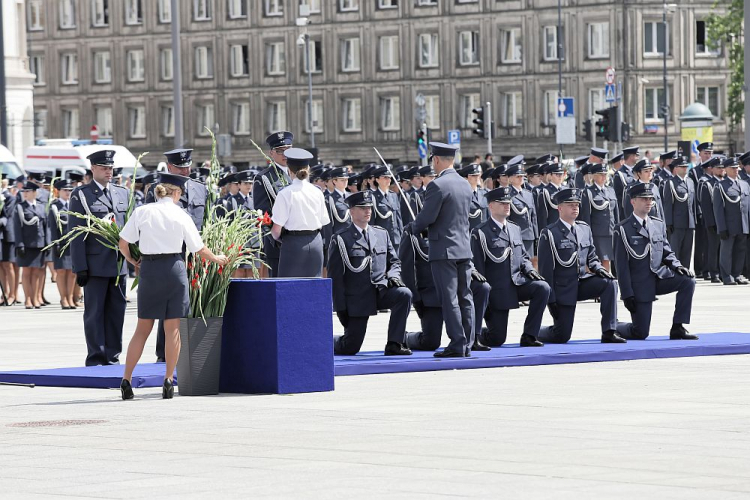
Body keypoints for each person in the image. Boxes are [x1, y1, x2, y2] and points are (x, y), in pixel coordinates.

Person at [118, 173, 228, 400]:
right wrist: (217, 259)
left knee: (142, 328)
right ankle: (168, 380)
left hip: (149, 269)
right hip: (174, 268)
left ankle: (126, 379)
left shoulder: (142, 211)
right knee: (173, 329)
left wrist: (132, 260)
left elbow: (123, 242)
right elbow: (198, 248)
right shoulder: (180, 214)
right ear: (176, 192)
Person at [537, 188, 630, 344]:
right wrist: (551, 300)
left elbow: (592, 258)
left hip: (582, 282)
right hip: (563, 288)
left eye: (577, 205)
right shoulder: (549, 234)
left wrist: (600, 269)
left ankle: (609, 331)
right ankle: (536, 330)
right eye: (570, 205)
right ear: (560, 208)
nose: (575, 208)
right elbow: (546, 272)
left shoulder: (584, 228)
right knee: (561, 336)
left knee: (610, 284)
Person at [408, 142, 475, 358]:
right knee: (465, 297)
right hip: (464, 248)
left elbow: (427, 217)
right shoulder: (465, 184)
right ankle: (467, 343)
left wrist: (413, 227)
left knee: (449, 299)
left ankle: (457, 343)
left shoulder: (437, 185)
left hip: (443, 250)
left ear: (436, 160)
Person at [328, 191, 412, 356]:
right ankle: (324, 340)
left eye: (369, 208)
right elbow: (336, 278)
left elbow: (394, 262)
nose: (367, 211)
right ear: (351, 211)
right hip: (357, 298)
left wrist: (393, 276)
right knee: (350, 347)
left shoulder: (381, 234)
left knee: (404, 294)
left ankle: (395, 343)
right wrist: (341, 309)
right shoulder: (341, 239)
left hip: (381, 291)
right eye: (362, 208)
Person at [614, 182, 698, 340]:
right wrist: (626, 294)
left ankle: (678, 326)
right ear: (633, 201)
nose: (648, 202)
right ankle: (614, 325)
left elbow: (666, 251)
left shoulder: (657, 224)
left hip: (659, 277)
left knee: (688, 281)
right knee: (640, 333)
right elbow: (621, 266)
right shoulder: (622, 229)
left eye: (650, 199)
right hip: (640, 284)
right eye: (644, 198)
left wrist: (677, 265)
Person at [69, 150, 130, 366]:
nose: (108, 171)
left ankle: (112, 356)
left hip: (119, 264)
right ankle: (96, 357)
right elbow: (76, 233)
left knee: (116, 313)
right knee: (94, 314)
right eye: (104, 168)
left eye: (110, 168)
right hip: (94, 265)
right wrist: (80, 267)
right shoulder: (82, 195)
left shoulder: (123, 193)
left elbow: (130, 229)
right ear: (93, 169)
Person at [472, 187, 550, 347]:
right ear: (491, 206)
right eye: (502, 203)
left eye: (508, 202)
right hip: (496, 291)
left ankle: (530, 335)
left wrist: (529, 269)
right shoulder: (480, 232)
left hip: (516, 284)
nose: (507, 205)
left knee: (542, 287)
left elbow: (522, 256)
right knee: (497, 339)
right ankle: (475, 333)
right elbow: (478, 268)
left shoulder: (514, 228)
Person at [270, 148, 330, 278]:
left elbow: (276, 231)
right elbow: (324, 221)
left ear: (289, 170)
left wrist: (279, 239)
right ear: (308, 169)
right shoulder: (317, 192)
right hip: (315, 242)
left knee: (289, 288)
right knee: (313, 288)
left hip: (293, 243)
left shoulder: (285, 193)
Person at [253, 132, 293, 277]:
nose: (284, 154)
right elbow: (262, 214)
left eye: (287, 149)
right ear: (271, 153)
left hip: (301, 242)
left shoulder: (298, 173)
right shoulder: (264, 178)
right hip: (279, 245)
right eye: (279, 151)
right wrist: (277, 239)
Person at [712, 156, 750, 285]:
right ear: (726, 169)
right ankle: (727, 276)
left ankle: (736, 274)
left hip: (743, 224)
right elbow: (718, 210)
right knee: (726, 251)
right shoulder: (720, 186)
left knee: (740, 251)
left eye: (737, 168)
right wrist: (721, 227)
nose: (736, 170)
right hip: (729, 225)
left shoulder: (745, 185)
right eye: (733, 168)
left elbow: (747, 207)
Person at [12, 181, 50, 309]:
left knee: (37, 272)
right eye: (24, 191)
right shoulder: (20, 207)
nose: (25, 194)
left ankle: (35, 298)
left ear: (35, 193)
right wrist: (20, 245)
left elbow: (46, 227)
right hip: (26, 245)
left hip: (39, 244)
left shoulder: (40, 207)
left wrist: (47, 244)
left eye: (28, 191)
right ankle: (28, 299)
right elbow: (17, 228)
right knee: (27, 272)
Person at [579, 163, 619, 271]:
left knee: (607, 260)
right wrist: (587, 235)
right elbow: (586, 216)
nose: (603, 177)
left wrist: (617, 229)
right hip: (596, 233)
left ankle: (606, 283)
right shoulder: (588, 192)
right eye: (600, 174)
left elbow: (616, 213)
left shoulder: (610, 190)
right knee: (596, 260)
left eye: (605, 174)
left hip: (610, 231)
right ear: (593, 176)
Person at [662, 156, 696, 268]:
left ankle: (685, 274)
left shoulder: (690, 182)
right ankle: (675, 273)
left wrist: (694, 220)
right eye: (682, 166)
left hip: (689, 223)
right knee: (675, 251)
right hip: (676, 223)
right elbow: (667, 205)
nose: (685, 168)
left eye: (686, 166)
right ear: (676, 168)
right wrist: (668, 223)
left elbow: (693, 203)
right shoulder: (670, 183)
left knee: (687, 251)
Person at [49, 179, 77, 309]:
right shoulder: (54, 207)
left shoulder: (74, 206)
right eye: (65, 190)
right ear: (58, 191)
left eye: (70, 190)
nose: (68, 193)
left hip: (72, 244)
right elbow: (52, 228)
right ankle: (63, 298)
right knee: (60, 272)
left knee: (72, 272)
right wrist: (56, 244)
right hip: (60, 244)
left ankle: (71, 297)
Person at [506, 158, 539, 267]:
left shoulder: (528, 194)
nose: (521, 179)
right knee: (517, 264)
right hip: (516, 236)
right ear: (510, 179)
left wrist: (536, 236)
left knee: (529, 265)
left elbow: (533, 217)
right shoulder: (508, 195)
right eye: (518, 176)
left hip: (529, 236)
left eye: (522, 176)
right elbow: (508, 218)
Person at [697, 157, 722, 282]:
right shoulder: (707, 184)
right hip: (713, 222)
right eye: (718, 168)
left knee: (723, 248)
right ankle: (714, 273)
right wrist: (710, 222)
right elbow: (705, 206)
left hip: (725, 222)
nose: (721, 170)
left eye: (722, 168)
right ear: (712, 169)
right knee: (713, 248)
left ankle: (722, 271)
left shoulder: (725, 183)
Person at [371, 166, 404, 252]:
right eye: (385, 177)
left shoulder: (393, 195)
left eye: (389, 178)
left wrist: (402, 235)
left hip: (396, 238)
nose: (388, 180)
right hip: (381, 239)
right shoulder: (373, 197)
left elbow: (398, 218)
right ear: (377, 180)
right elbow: (371, 221)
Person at [459, 163, 488, 231]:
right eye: (473, 175)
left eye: (478, 175)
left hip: (484, 234)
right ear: (466, 178)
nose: (477, 177)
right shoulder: (462, 195)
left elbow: (488, 215)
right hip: (469, 234)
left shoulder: (484, 193)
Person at [537, 162, 565, 230]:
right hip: (552, 228)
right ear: (550, 176)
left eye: (561, 174)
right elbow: (543, 216)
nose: (560, 177)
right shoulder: (545, 191)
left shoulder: (565, 190)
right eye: (557, 174)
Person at [614, 146, 639, 221]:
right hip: (626, 213)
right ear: (631, 157)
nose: (637, 158)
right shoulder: (620, 174)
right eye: (636, 156)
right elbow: (619, 198)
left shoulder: (637, 170)